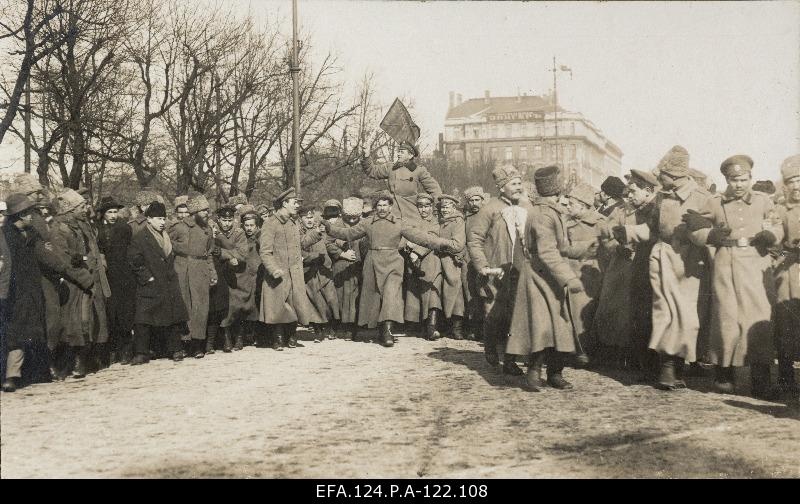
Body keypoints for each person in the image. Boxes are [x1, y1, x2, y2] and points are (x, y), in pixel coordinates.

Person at [686, 155, 782, 398]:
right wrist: (709, 235)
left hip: (755, 260)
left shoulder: (763, 201)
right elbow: (694, 227)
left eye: (743, 179)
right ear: (726, 180)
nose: (739, 184)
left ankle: (760, 377)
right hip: (725, 260)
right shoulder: (715, 202)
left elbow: (776, 225)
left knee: (758, 314)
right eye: (733, 180)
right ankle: (723, 372)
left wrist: (771, 235)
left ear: (750, 178)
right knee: (725, 315)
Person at [324, 191, 458, 347]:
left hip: (394, 263)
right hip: (372, 262)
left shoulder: (399, 223)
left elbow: (420, 237)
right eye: (379, 205)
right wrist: (329, 228)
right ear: (375, 207)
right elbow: (347, 233)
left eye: (385, 205)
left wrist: (441, 243)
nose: (382, 208)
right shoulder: (367, 223)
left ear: (390, 206)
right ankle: (379, 329)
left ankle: (388, 331)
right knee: (373, 297)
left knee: (390, 294)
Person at [507, 165, 583, 391]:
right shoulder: (543, 215)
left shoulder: (546, 211)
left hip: (547, 276)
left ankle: (554, 373)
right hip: (541, 277)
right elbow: (548, 252)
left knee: (558, 325)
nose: (567, 202)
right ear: (557, 194)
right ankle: (534, 372)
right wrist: (569, 278)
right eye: (564, 197)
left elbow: (561, 247)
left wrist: (586, 249)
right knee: (542, 327)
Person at [647, 145, 712, 390]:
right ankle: (667, 368)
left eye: (661, 174)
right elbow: (653, 228)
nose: (658, 178)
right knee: (664, 310)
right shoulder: (661, 195)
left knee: (686, 314)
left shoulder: (702, 197)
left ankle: (679, 366)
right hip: (663, 257)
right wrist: (630, 232)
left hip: (690, 263)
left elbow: (710, 232)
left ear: (673, 176)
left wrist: (703, 232)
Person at [466, 164, 532, 375]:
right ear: (501, 187)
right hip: (496, 270)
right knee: (494, 313)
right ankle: (490, 347)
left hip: (520, 270)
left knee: (516, 315)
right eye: (513, 184)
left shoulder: (527, 207)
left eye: (520, 183)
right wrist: (483, 266)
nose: (518, 187)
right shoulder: (490, 208)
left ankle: (511, 360)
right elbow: (475, 239)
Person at [594, 169, 659, 374]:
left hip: (648, 266)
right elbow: (606, 235)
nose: (628, 196)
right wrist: (616, 247)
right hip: (622, 267)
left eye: (633, 191)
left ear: (648, 190)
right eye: (628, 192)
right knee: (616, 311)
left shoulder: (657, 210)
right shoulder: (621, 210)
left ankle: (644, 360)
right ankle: (618, 354)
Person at [51, 189, 111, 377]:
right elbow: (64, 260)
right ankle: (71, 364)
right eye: (81, 206)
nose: (85, 208)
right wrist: (87, 280)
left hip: (91, 279)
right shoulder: (60, 229)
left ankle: (86, 360)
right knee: (74, 324)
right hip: (75, 284)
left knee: (90, 322)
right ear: (70, 210)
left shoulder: (81, 225)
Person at [259, 187, 324, 349]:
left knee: (296, 304)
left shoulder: (293, 222)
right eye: (294, 203)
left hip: (295, 272)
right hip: (278, 273)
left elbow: (300, 243)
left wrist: (315, 233)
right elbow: (265, 251)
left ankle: (291, 336)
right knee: (279, 306)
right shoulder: (270, 223)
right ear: (285, 203)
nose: (297, 206)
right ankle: (278, 338)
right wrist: (273, 269)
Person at [127, 201, 189, 364]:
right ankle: (141, 352)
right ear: (149, 219)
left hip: (168, 282)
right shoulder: (140, 237)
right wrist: (148, 278)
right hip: (150, 284)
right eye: (159, 219)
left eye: (164, 219)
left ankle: (175, 349)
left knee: (172, 317)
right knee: (143, 319)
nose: (162, 222)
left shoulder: (166, 236)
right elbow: (135, 261)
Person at [1, 194, 48, 392]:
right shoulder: (4, 236)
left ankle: (27, 373)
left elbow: (46, 256)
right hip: (11, 293)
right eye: (29, 213)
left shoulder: (32, 234)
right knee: (13, 333)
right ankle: (11, 376)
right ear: (19, 215)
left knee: (30, 331)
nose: (32, 217)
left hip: (31, 290)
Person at [562, 182, 604, 366]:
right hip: (569, 272)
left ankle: (585, 350)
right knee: (570, 313)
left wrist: (576, 250)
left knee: (584, 314)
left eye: (571, 203)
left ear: (584, 205)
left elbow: (601, 247)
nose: (568, 206)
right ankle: (574, 349)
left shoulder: (600, 222)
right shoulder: (566, 222)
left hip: (590, 274)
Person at [170, 194, 216, 358]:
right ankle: (183, 344)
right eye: (204, 210)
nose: (207, 213)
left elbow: (209, 253)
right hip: (182, 270)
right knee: (184, 306)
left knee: (200, 308)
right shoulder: (179, 227)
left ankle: (198, 345)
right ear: (195, 211)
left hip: (201, 270)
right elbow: (168, 247)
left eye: (207, 210)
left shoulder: (208, 230)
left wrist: (212, 272)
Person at [96, 196, 136, 365]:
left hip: (124, 275)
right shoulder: (98, 229)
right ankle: (113, 350)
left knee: (125, 313)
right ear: (103, 214)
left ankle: (126, 350)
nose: (113, 215)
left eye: (115, 212)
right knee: (111, 314)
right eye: (109, 212)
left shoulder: (124, 228)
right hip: (107, 275)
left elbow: (129, 250)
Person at [360, 142, 442, 223]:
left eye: (402, 152)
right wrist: (366, 155)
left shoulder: (419, 170)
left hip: (411, 212)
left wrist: (436, 209)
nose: (398, 154)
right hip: (392, 211)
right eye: (398, 151)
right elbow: (372, 171)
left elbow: (434, 189)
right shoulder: (391, 168)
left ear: (410, 155)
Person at [774, 154, 800, 401]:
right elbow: (775, 234)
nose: (796, 186)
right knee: (785, 324)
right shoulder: (781, 209)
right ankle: (785, 375)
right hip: (789, 270)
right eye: (791, 181)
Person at [403, 193, 444, 340]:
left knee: (432, 291)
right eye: (420, 206)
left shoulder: (436, 221)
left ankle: (431, 326)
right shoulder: (411, 221)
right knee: (414, 293)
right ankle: (417, 325)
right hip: (413, 261)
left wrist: (418, 251)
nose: (423, 210)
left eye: (426, 206)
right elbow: (404, 235)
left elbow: (433, 238)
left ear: (432, 207)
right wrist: (407, 245)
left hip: (431, 259)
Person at [221, 207, 263, 350]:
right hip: (239, 275)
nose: (249, 228)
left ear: (257, 225)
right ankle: (232, 337)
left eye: (252, 225)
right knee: (234, 307)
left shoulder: (259, 237)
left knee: (249, 307)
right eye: (247, 225)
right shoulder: (239, 235)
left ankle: (245, 336)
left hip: (252, 276)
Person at [299, 206, 340, 342]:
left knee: (331, 299)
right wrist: (312, 257)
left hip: (324, 269)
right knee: (315, 301)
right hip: (309, 271)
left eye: (311, 217)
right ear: (301, 219)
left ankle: (332, 327)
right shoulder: (298, 232)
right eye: (306, 218)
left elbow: (330, 243)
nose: (309, 220)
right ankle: (318, 331)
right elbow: (301, 248)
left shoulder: (321, 229)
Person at [327, 197, 365, 340]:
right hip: (341, 265)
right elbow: (328, 242)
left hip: (358, 265)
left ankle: (351, 327)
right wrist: (342, 254)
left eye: (355, 218)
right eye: (348, 218)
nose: (351, 221)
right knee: (338, 296)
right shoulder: (337, 224)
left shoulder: (364, 224)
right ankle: (336, 325)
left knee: (354, 296)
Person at [436, 194, 467, 339]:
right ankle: (446, 326)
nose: (445, 210)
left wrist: (438, 243)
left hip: (452, 260)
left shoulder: (457, 221)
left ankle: (457, 327)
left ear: (454, 208)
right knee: (441, 292)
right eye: (443, 207)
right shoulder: (440, 221)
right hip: (440, 260)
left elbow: (458, 244)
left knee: (455, 291)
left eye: (447, 207)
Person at [462, 186, 487, 340]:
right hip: (469, 259)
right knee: (471, 293)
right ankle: (474, 327)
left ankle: (488, 329)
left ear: (483, 200)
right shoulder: (466, 218)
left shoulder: (488, 215)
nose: (474, 203)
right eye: (471, 200)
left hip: (485, 258)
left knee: (485, 292)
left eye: (477, 200)